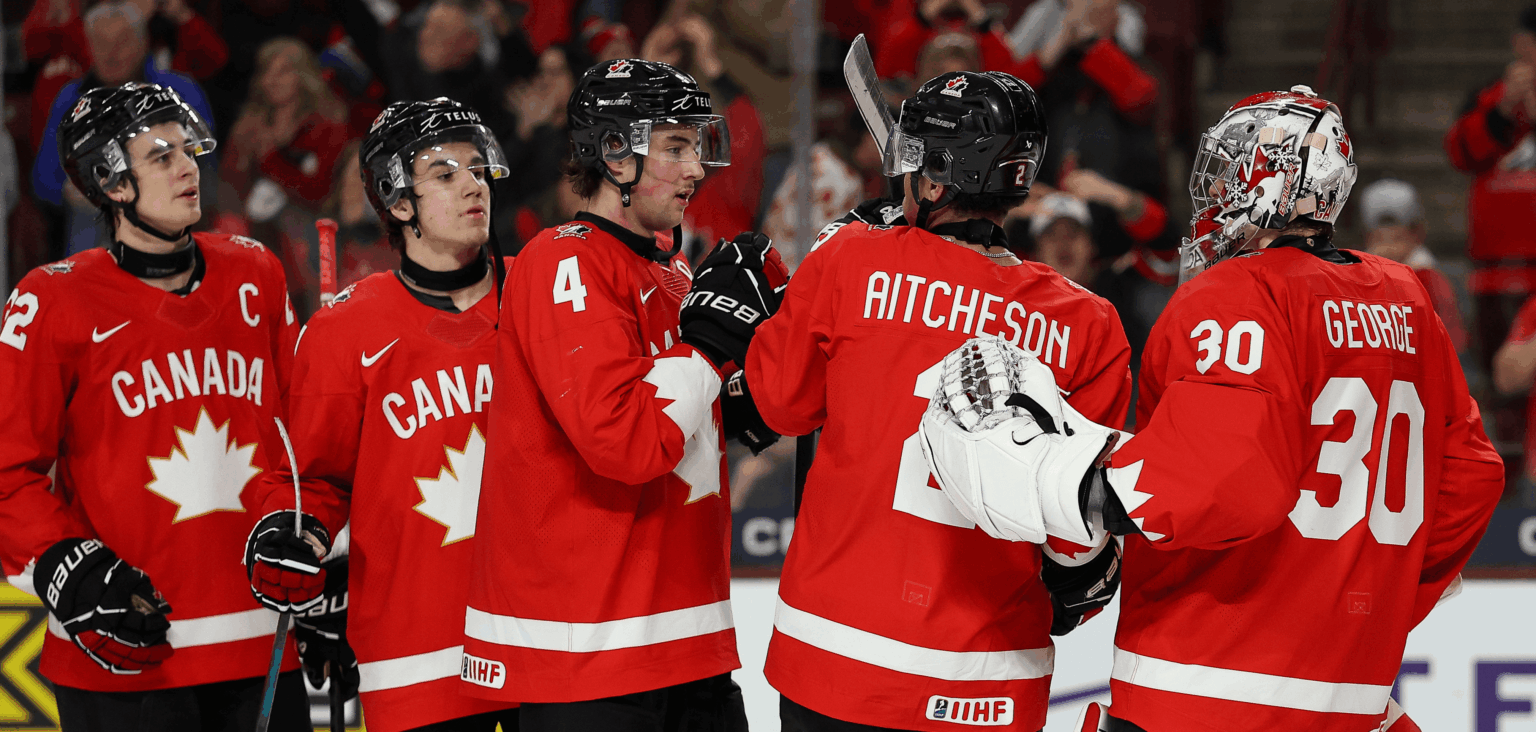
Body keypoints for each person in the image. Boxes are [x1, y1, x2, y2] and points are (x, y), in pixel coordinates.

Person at [920, 85, 1502, 732]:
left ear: (1272, 183)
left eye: (1232, 169)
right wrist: (1366, 600)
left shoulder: (1236, 293)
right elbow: (1471, 480)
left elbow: (1222, 480)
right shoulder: (1404, 297)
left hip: (1201, 684)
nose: (1216, 190)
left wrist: (1053, 473)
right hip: (1352, 696)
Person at [748, 70, 1132, 732]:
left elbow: (779, 405)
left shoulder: (847, 261)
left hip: (833, 652)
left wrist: (805, 288)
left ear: (930, 181)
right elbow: (1079, 545)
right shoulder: (1088, 324)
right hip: (985, 675)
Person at [463, 59, 764, 731]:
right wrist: (714, 345)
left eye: (698, 147)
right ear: (615, 153)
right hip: (592, 656)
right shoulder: (563, 259)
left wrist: (753, 376)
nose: (696, 170)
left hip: (687, 643)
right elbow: (625, 440)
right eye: (676, 147)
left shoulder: (674, 271)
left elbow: (696, 412)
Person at [0, 82, 308, 730]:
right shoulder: (49, 301)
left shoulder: (256, 272)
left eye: (186, 148)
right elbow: (7, 474)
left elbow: (301, 444)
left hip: (261, 642)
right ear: (112, 183)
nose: (186, 167)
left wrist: (322, 556)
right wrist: (64, 566)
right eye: (160, 156)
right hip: (124, 642)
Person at [244, 97, 520, 732]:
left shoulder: (543, 295)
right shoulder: (345, 330)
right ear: (399, 203)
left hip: (544, 638)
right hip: (416, 654)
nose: (472, 185)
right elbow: (312, 481)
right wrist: (299, 538)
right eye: (445, 174)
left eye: (478, 169)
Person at [31, 2, 216, 258]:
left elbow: (206, 160)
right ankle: (96, 291)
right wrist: (71, 190)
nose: (111, 53)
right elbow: (44, 180)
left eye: (123, 41)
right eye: (101, 43)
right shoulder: (71, 100)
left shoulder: (179, 91)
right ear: (89, 48)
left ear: (143, 44)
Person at [1357, 178, 1467, 356]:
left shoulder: (1432, 278)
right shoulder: (1352, 276)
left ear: (1417, 233)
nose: (1389, 249)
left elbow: (1454, 342)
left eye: (1398, 238)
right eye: (1380, 239)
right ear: (1367, 236)